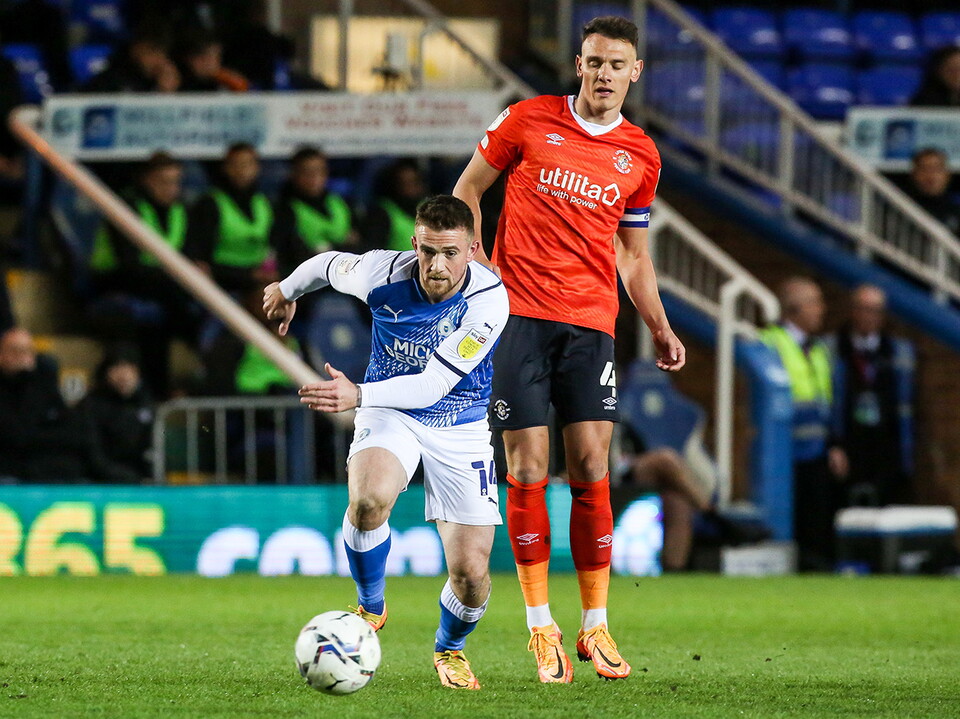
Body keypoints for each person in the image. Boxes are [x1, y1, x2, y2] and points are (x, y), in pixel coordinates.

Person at [453, 15, 685, 682]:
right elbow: (469, 188)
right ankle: (540, 626)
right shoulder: (526, 119)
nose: (604, 74)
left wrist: (661, 325)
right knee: (527, 467)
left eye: (617, 65)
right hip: (517, 317)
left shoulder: (640, 155)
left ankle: (595, 625)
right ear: (578, 65)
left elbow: (634, 258)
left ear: (634, 73)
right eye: (594, 62)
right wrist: (477, 260)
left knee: (590, 462)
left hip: (592, 324)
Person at [263, 195, 509, 690]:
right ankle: (370, 607)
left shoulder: (489, 300)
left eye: (451, 253)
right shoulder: (382, 272)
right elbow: (327, 266)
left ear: (472, 249)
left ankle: (450, 649)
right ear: (413, 243)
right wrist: (286, 288)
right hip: (389, 411)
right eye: (428, 251)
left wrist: (356, 393)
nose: (438, 265)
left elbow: (434, 385)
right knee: (368, 500)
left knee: (472, 575)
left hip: (458, 423)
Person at [88, 151, 202, 396]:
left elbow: (190, 255)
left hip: (162, 286)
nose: (171, 188)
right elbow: (129, 264)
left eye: (176, 181)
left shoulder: (181, 210)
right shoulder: (126, 207)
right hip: (114, 281)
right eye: (164, 181)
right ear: (146, 180)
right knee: (168, 308)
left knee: (168, 311)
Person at [759, 277, 847, 572]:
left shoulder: (819, 349)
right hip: (783, 448)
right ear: (795, 308)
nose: (822, 309)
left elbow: (826, 403)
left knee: (818, 513)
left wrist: (834, 444)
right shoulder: (770, 343)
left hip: (816, 448)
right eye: (815, 302)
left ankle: (818, 567)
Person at [829, 285, 914, 507]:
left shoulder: (899, 352)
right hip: (848, 446)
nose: (870, 317)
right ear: (852, 311)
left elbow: (908, 407)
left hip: (887, 451)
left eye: (876, 310)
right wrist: (833, 444)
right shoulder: (832, 349)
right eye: (864, 309)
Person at [0, 327, 101, 482]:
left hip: (43, 466)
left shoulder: (44, 384)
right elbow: (16, 436)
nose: (22, 357)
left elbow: (72, 433)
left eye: (28, 351)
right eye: (15, 351)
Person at [185, 142, 277, 294]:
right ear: (226, 168)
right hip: (224, 280)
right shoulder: (210, 204)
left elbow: (274, 247)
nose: (242, 171)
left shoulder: (264, 203)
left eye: (248, 164)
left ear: (257, 168)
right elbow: (203, 260)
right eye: (236, 164)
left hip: (259, 278)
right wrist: (247, 276)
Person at [271, 146, 359, 277]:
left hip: (347, 276)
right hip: (308, 282)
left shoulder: (340, 202)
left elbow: (360, 245)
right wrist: (341, 246)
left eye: (320, 171)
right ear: (294, 174)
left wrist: (324, 249)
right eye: (307, 172)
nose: (314, 177)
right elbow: (293, 254)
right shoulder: (284, 209)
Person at [80, 343, 155, 483]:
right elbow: (94, 455)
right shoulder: (91, 405)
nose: (124, 375)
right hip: (102, 482)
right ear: (106, 373)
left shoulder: (146, 403)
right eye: (117, 368)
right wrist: (132, 479)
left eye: (129, 368)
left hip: (142, 481)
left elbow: (154, 448)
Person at [361, 159, 428, 252]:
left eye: (414, 183)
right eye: (405, 184)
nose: (410, 189)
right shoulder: (382, 214)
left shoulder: (429, 210)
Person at [902, 147, 960, 237]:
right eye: (924, 169)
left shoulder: (956, 210)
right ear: (913, 174)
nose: (931, 176)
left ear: (947, 175)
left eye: (937, 169)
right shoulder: (899, 208)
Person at [175, 28, 250, 93]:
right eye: (215, 57)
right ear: (197, 60)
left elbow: (247, 90)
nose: (218, 63)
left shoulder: (218, 82)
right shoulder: (176, 81)